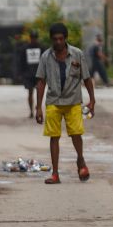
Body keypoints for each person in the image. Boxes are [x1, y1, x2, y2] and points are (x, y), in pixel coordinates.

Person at [35, 23, 96, 185]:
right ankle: (55, 174)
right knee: (54, 137)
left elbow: (87, 78)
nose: (58, 42)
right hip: (53, 101)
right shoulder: (45, 57)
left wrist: (92, 100)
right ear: (51, 40)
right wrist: (38, 107)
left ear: (65, 39)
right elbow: (40, 82)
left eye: (61, 39)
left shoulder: (77, 54)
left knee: (76, 133)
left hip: (73, 100)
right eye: (55, 39)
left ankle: (81, 161)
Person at [20, 31, 43, 119]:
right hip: (28, 74)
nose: (34, 40)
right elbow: (21, 61)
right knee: (30, 93)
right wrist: (21, 73)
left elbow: (45, 61)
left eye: (35, 38)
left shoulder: (42, 48)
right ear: (30, 38)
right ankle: (31, 111)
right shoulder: (24, 48)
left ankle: (38, 108)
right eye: (32, 38)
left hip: (39, 74)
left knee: (39, 93)